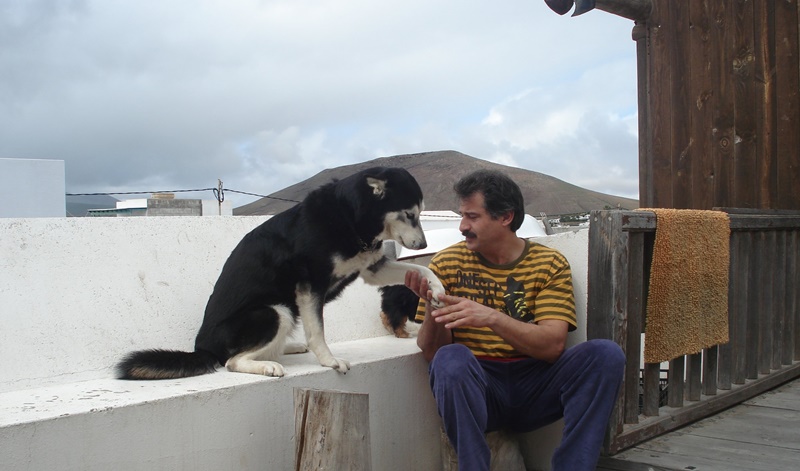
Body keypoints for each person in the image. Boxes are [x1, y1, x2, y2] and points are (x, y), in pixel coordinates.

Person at [404, 169, 624, 471]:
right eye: (462, 216)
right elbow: (432, 353)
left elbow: (551, 347)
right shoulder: (446, 263)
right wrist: (432, 306)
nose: (462, 226)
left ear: (505, 217)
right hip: (480, 390)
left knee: (605, 355)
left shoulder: (548, 264)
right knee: (450, 359)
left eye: (472, 217)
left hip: (536, 385)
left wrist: (491, 318)